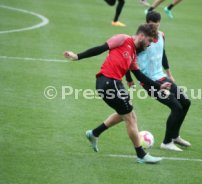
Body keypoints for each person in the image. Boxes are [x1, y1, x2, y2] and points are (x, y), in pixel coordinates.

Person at [64, 23, 172, 164]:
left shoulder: (133, 54)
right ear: (141, 36)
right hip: (108, 81)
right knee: (131, 118)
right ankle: (141, 154)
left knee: (125, 114)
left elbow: (139, 76)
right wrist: (77, 56)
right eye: (149, 40)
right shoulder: (123, 39)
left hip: (115, 83)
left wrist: (160, 86)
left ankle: (94, 133)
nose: (149, 44)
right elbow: (101, 48)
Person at [126, 11, 191, 151]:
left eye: (157, 25)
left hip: (162, 77)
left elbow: (163, 54)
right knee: (176, 106)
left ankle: (174, 136)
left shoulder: (161, 35)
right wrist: (129, 79)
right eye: (152, 26)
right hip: (149, 82)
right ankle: (167, 143)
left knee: (185, 102)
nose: (154, 29)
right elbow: (128, 61)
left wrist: (169, 74)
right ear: (147, 23)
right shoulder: (141, 41)